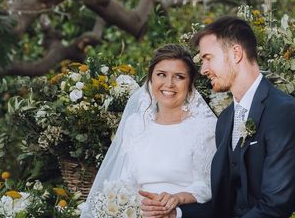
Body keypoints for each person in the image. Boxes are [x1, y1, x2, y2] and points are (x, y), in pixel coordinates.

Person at [141, 16, 295, 218]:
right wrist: (177, 214)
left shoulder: (283, 112)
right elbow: (223, 205)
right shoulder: (226, 120)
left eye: (208, 58)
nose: (204, 70)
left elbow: (276, 206)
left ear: (235, 53)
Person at [81, 44, 217, 218]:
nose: (169, 84)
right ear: (151, 79)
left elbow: (208, 185)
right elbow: (126, 181)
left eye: (179, 77)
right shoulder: (136, 125)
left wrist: (176, 199)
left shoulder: (204, 127)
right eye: (161, 75)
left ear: (190, 84)